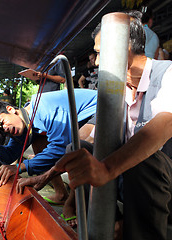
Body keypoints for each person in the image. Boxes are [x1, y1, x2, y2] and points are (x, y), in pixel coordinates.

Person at [17, 10, 172, 240]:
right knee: (77, 149)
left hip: (160, 179)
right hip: (127, 179)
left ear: (124, 46)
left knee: (144, 158)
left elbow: (163, 124)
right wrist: (45, 175)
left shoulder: (167, 72)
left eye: (100, 53)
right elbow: (88, 135)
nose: (97, 62)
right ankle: (110, 225)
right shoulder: (115, 90)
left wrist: (106, 169)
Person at [0, 89, 97, 204]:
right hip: (81, 122)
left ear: (11, 109)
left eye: (1, 123)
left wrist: (21, 167)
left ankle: (73, 203)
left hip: (103, 107)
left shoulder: (44, 107)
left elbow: (60, 146)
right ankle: (61, 194)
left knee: (78, 144)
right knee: (40, 143)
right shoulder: (21, 124)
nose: (5, 129)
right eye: (0, 130)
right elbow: (9, 157)